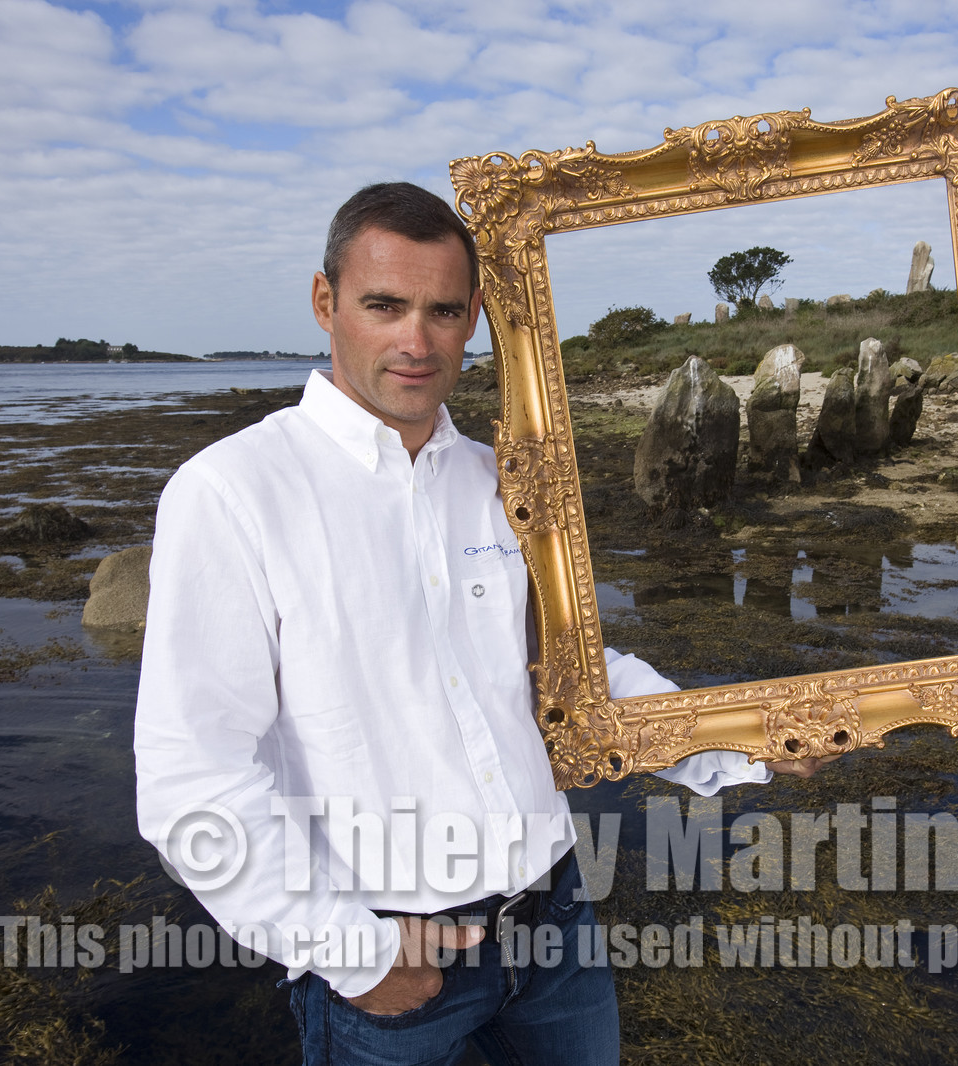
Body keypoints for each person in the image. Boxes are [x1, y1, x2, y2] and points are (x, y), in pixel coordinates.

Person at [134, 182, 830, 1066]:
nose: (415, 341)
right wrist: (353, 956)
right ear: (325, 303)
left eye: (443, 311)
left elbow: (573, 676)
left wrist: (750, 739)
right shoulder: (232, 491)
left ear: (474, 322)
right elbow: (190, 774)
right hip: (393, 951)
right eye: (383, 305)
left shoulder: (506, 481)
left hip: (554, 922)